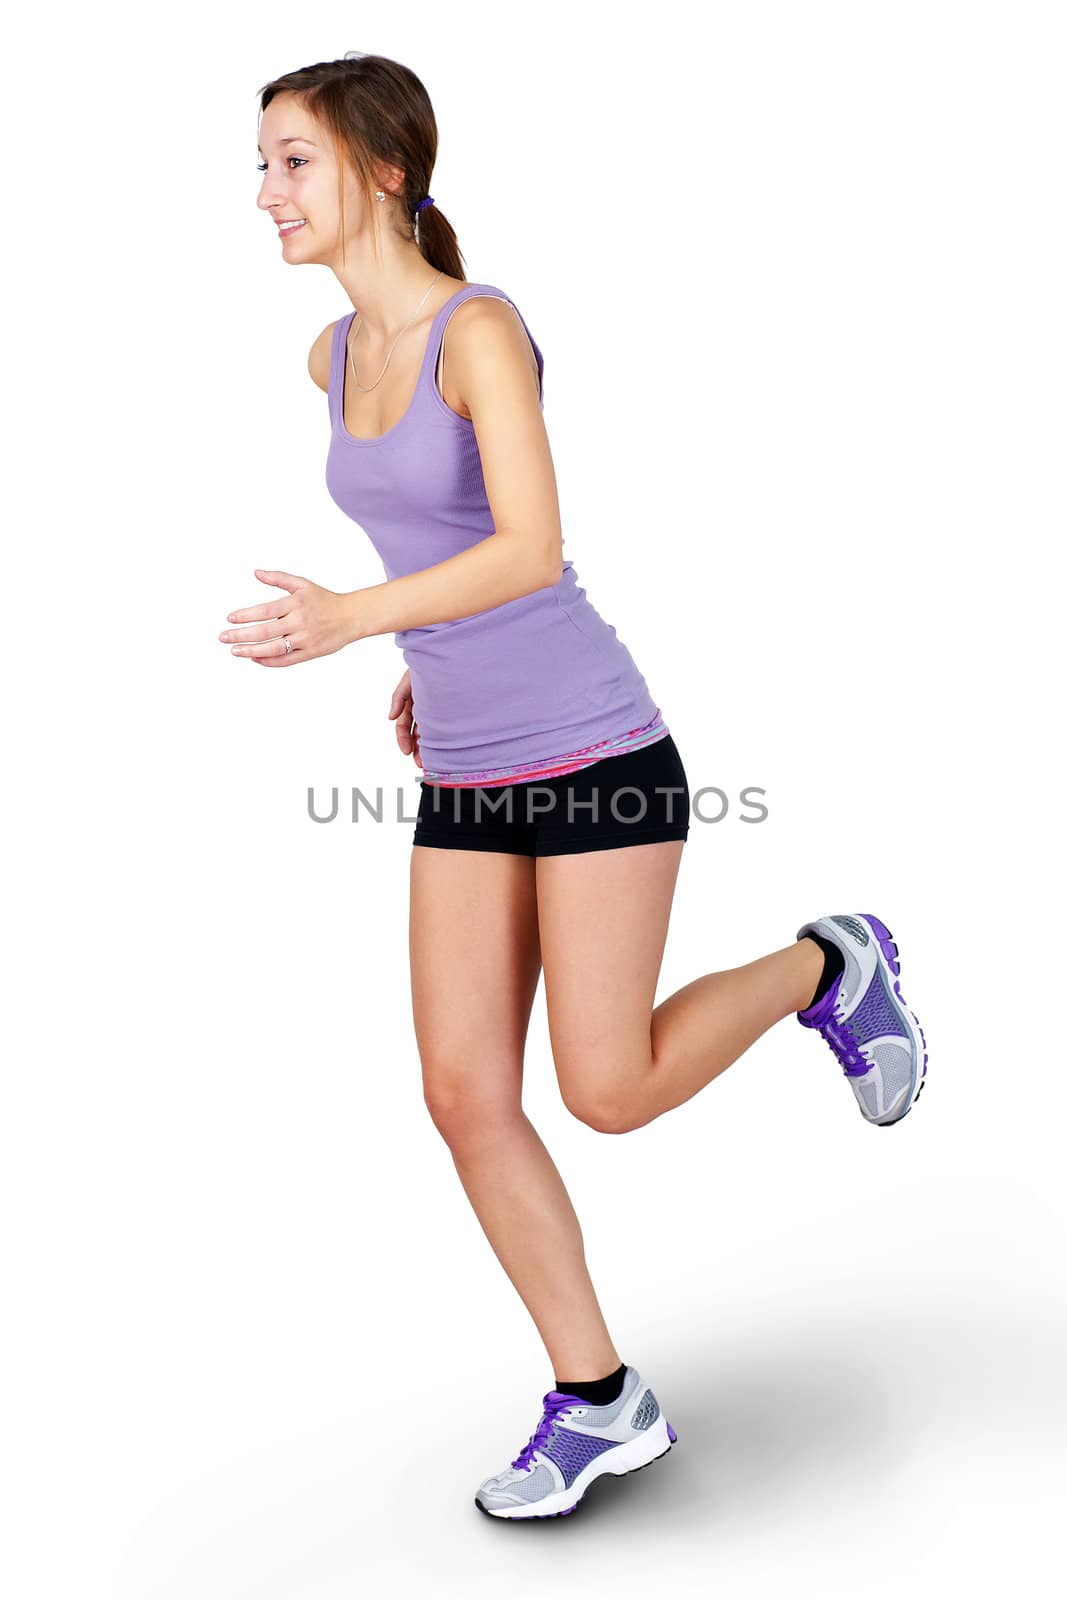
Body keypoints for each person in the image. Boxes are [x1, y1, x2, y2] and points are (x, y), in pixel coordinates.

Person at [221, 52, 929, 1521]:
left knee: (606, 1090)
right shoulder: (329, 359)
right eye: (263, 163)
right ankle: (600, 1398)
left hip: (598, 752)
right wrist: (424, 659)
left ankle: (829, 964)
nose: (266, 190)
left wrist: (354, 620)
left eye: (293, 160)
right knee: (466, 1092)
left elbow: (534, 547)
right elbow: (447, 556)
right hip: (470, 765)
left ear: (384, 172)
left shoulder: (481, 331)